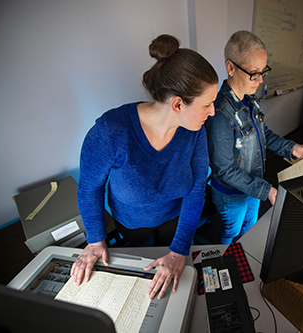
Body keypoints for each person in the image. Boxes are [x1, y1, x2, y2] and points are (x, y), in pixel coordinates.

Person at [71, 34, 218, 300]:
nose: (213, 111)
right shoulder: (111, 131)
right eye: (207, 104)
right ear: (177, 104)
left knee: (177, 280)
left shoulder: (194, 131)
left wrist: (179, 250)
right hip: (133, 225)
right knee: (146, 283)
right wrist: (95, 240)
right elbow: (90, 189)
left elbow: (196, 191)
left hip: (176, 219)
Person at [205, 30, 303, 244]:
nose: (261, 79)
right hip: (232, 193)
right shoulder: (220, 114)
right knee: (232, 232)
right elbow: (224, 169)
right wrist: (267, 190)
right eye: (255, 73)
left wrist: (291, 148)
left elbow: (262, 133)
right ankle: (225, 262)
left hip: (254, 184)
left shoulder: (250, 99)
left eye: (263, 71)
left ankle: (244, 256)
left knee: (251, 227)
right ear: (231, 68)